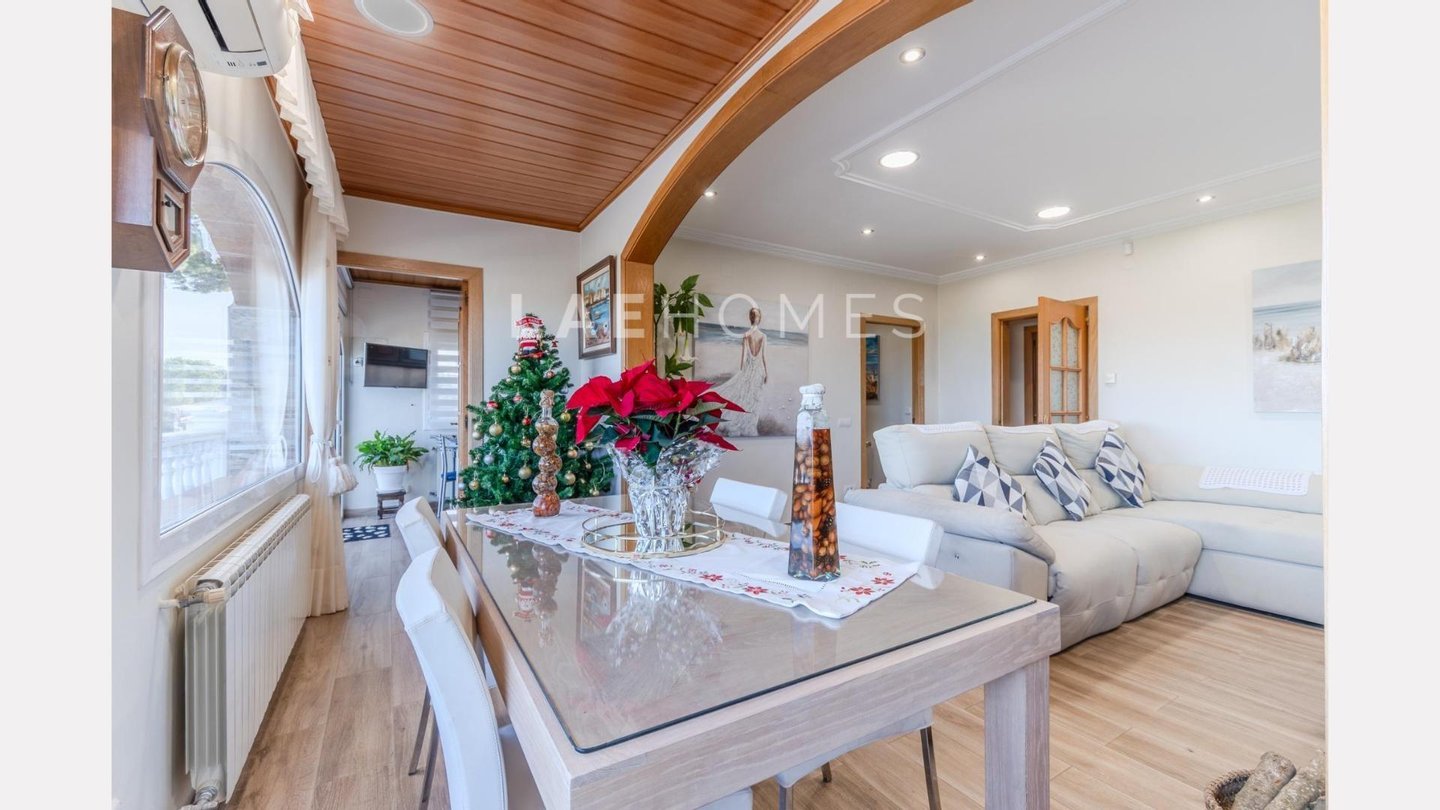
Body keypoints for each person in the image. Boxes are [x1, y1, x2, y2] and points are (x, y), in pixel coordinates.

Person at [712, 307, 767, 436]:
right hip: (757, 369)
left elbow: (745, 356)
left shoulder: (747, 335)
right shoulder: (762, 336)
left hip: (751, 369)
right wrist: (765, 372)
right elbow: (762, 356)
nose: (756, 318)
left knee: (748, 395)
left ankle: (748, 421)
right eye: (756, 316)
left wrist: (742, 371)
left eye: (756, 316)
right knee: (752, 396)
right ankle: (749, 422)